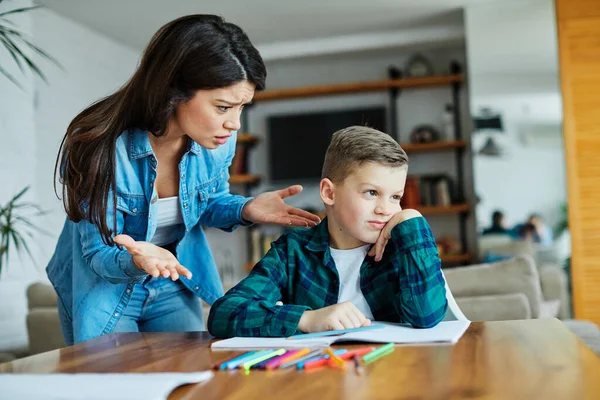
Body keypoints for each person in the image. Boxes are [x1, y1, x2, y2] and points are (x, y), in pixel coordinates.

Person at [47, 15, 320, 345]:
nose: (235, 124)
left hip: (171, 280)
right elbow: (97, 254)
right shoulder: (98, 146)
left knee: (195, 378)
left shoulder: (217, 140)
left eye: (242, 108)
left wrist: (246, 209)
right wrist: (136, 259)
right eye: (222, 107)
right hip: (106, 284)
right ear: (173, 91)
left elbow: (205, 204)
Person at [208, 126, 448, 338]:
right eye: (371, 193)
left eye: (396, 197)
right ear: (329, 193)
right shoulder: (292, 252)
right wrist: (307, 319)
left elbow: (426, 316)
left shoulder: (401, 248)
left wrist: (411, 219)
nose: (385, 209)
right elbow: (223, 314)